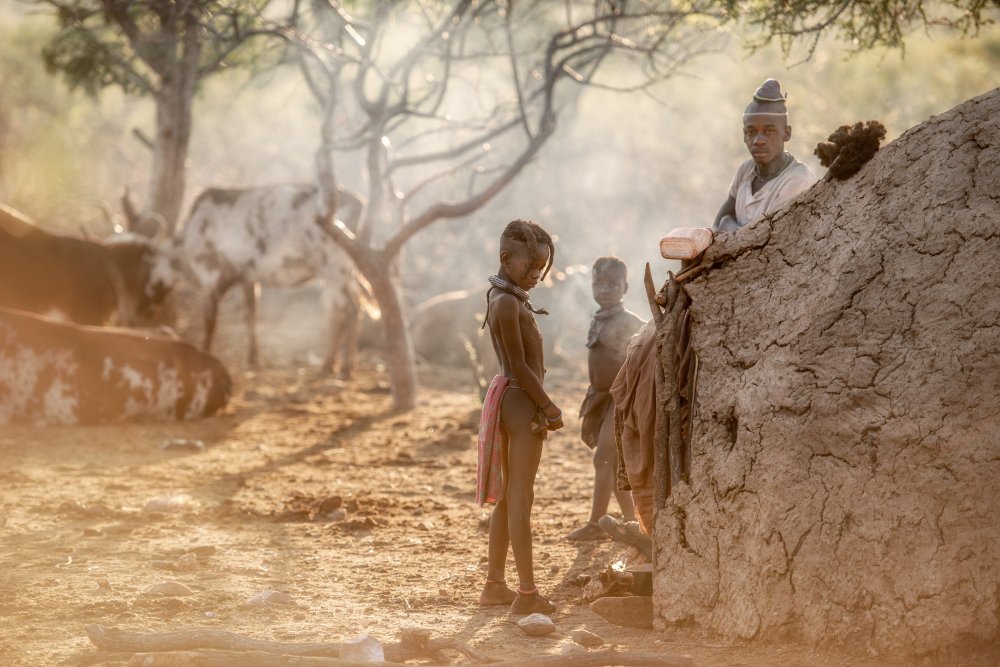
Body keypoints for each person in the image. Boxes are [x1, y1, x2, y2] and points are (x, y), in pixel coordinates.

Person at [476, 219, 564, 615]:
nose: (536, 275)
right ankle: (527, 595)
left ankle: (495, 585)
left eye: (541, 269)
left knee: (510, 497)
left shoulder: (502, 295)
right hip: (521, 402)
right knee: (520, 497)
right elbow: (518, 365)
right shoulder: (508, 302)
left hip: (510, 398)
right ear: (505, 258)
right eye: (530, 267)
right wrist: (548, 407)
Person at [566, 256, 643, 541]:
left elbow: (648, 346)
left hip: (619, 398)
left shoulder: (628, 321)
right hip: (600, 397)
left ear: (625, 287)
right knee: (610, 462)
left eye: (613, 284)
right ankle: (632, 520)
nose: (605, 290)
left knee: (603, 461)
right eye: (599, 283)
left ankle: (597, 524)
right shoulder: (599, 318)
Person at [713, 78, 816, 232]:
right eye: (751, 132)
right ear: (744, 135)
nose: (758, 140)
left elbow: (764, 240)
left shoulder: (799, 178)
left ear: (786, 134)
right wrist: (723, 224)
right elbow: (719, 222)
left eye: (769, 131)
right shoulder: (746, 169)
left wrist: (728, 224)